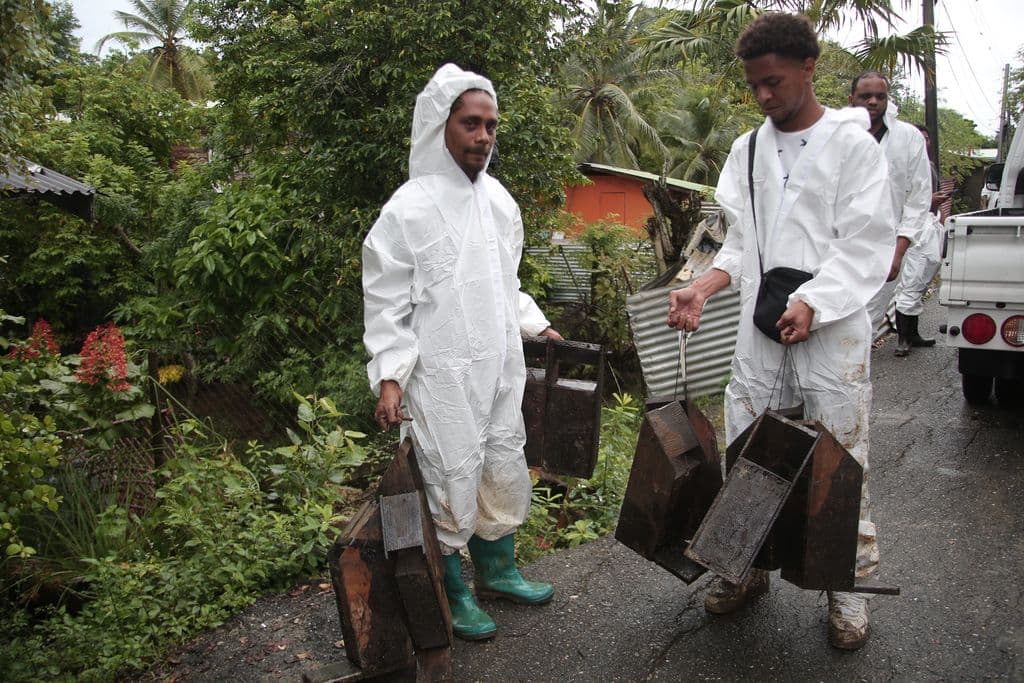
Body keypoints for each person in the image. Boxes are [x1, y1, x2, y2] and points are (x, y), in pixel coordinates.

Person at [666, 13, 894, 650]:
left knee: (840, 457)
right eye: (755, 86)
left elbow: (867, 245)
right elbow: (743, 243)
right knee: (751, 451)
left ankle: (845, 591)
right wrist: (703, 286)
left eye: (774, 82)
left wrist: (815, 302)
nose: (764, 96)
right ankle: (744, 569)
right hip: (761, 329)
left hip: (831, 333)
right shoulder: (747, 150)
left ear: (808, 68)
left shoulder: (854, 148)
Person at [362, 64, 561, 642]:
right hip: (440, 374)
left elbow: (506, 281)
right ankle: (454, 588)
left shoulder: (501, 202)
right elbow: (385, 303)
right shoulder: (407, 209)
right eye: (470, 123)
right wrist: (391, 378)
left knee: (501, 459)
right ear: (440, 125)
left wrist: (534, 325)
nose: (483, 136)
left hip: (499, 365)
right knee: (449, 472)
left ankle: (499, 570)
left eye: (491, 126)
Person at [849, 71, 936, 355]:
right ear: (852, 100)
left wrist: (898, 253)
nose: (873, 101)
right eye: (865, 96)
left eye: (880, 96)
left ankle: (853, 390)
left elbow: (918, 198)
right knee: (830, 324)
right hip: (836, 248)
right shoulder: (836, 136)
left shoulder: (907, 137)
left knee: (864, 327)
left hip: (882, 250)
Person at [890, 124, 949, 354]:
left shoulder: (930, 166)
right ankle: (903, 340)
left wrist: (933, 204)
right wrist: (927, 202)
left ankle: (912, 334)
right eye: (919, 139)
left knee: (924, 276)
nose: (923, 142)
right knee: (911, 281)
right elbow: (900, 200)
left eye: (926, 138)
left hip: (929, 225)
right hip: (912, 228)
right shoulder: (902, 166)